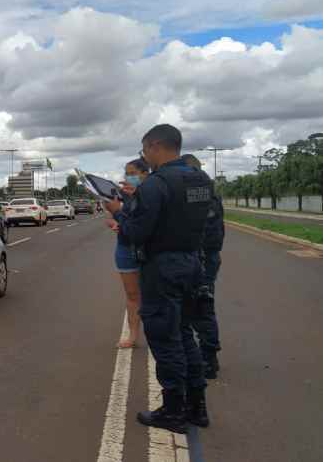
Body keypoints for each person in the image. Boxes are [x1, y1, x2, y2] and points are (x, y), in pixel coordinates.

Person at [104, 124, 214, 433]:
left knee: (165, 339)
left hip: (163, 267)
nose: (145, 157)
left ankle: (173, 411)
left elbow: (136, 233)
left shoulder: (156, 184)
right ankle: (197, 407)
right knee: (184, 334)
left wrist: (118, 212)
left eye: (144, 151)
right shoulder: (201, 180)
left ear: (155, 146)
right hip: (191, 263)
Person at [182, 154, 225, 379]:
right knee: (197, 307)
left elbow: (203, 230)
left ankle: (208, 359)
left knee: (202, 306)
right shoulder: (206, 189)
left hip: (203, 258)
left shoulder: (200, 192)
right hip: (205, 257)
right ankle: (205, 356)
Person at [106, 158, 151, 348]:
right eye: (127, 174)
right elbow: (110, 217)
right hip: (125, 247)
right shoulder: (122, 195)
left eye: (133, 173)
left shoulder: (152, 194)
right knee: (132, 295)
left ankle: (157, 334)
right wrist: (115, 223)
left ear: (145, 173)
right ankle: (132, 336)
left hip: (148, 248)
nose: (128, 177)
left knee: (153, 293)